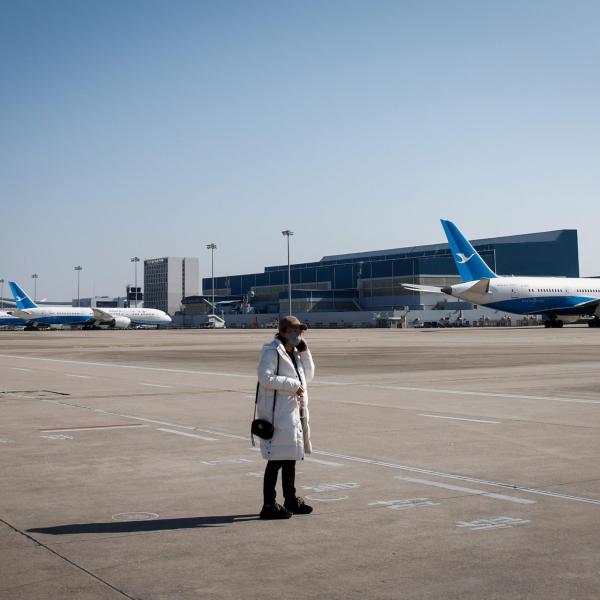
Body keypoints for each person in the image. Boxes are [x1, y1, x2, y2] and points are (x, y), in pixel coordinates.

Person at [256, 315, 315, 519]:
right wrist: (292, 385)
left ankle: (290, 499)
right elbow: (265, 377)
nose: (299, 334)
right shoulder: (273, 351)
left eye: (301, 331)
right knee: (275, 460)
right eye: (295, 330)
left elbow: (308, 377)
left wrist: (305, 353)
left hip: (294, 413)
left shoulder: (295, 354)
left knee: (291, 459)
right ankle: (268, 505)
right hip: (278, 414)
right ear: (283, 332)